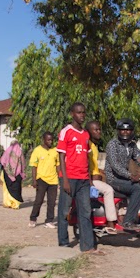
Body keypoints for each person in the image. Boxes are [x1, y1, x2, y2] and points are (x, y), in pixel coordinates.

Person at [57, 103, 99, 254]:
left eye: (83, 113)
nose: (82, 115)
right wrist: (65, 180)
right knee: (64, 211)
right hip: (69, 178)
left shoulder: (86, 134)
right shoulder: (66, 132)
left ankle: (87, 246)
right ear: (72, 114)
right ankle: (63, 243)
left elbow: (86, 157)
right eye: (79, 113)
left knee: (86, 212)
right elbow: (61, 157)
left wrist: (89, 178)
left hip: (83, 179)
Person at [105, 118, 140, 231]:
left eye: (128, 130)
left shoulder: (132, 145)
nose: (125, 132)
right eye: (122, 130)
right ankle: (128, 221)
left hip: (125, 179)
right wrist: (130, 176)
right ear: (118, 131)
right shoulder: (112, 144)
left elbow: (139, 159)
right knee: (138, 188)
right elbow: (115, 165)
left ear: (132, 131)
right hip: (114, 179)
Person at [86, 121, 119, 234]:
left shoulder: (95, 146)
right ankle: (111, 222)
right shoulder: (87, 145)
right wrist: (91, 179)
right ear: (89, 132)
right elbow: (85, 165)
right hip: (91, 180)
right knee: (108, 190)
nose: (99, 131)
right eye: (95, 130)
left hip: (98, 177)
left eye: (99, 129)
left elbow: (97, 166)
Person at [27, 132, 59, 228]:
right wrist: (34, 180)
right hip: (41, 179)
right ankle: (33, 219)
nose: (50, 142)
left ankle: (49, 221)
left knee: (52, 202)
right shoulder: (37, 150)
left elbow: (58, 165)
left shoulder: (55, 151)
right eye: (48, 140)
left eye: (52, 140)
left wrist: (60, 177)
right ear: (44, 140)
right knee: (39, 200)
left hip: (53, 180)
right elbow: (34, 166)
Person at [0, 138, 25, 207]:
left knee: (7, 189)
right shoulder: (20, 152)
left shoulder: (7, 151)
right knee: (16, 189)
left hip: (7, 173)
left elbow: (2, 161)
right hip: (18, 174)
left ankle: (8, 203)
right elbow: (23, 164)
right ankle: (15, 204)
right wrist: (22, 171)